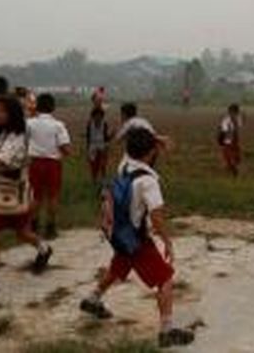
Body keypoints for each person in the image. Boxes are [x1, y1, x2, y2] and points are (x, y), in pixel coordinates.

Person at [79, 128, 195, 348]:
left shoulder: (124, 165)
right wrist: (167, 241)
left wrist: (153, 140)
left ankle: (92, 299)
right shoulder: (149, 181)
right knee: (164, 279)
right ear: (152, 152)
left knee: (119, 264)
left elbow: (133, 138)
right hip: (137, 239)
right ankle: (167, 330)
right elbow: (157, 216)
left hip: (119, 234)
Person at [0, 96, 53, 299]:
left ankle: (44, 248)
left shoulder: (19, 136)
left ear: (13, 114)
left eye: (3, 111)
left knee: (22, 233)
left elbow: (1, 161)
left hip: (14, 190)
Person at [27, 93, 72, 239]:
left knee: (36, 196)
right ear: (53, 107)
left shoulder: (29, 123)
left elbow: (23, 141)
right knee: (53, 196)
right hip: (53, 163)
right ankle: (51, 228)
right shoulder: (58, 125)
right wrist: (67, 153)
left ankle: (33, 226)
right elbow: (65, 148)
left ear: (38, 106)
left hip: (35, 162)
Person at [86, 106, 111, 186]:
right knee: (94, 165)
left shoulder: (105, 124)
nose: (98, 118)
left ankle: (103, 180)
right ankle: (94, 180)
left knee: (103, 164)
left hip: (102, 145)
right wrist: (88, 149)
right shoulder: (90, 124)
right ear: (93, 116)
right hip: (92, 146)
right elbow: (88, 137)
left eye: (100, 116)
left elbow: (106, 137)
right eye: (96, 116)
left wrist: (107, 144)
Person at [218, 104, 243, 177]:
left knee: (228, 152)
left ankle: (232, 166)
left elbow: (223, 130)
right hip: (234, 136)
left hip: (229, 137)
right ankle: (232, 165)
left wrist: (220, 138)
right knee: (234, 152)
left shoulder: (227, 119)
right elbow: (238, 127)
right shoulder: (238, 118)